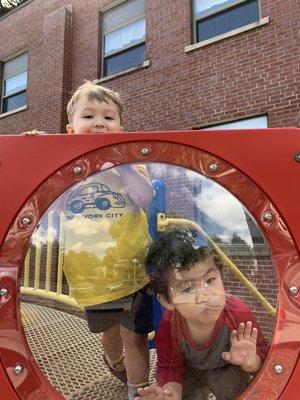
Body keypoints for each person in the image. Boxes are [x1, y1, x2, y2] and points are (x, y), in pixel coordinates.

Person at [23, 80, 155, 400]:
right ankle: (114, 362)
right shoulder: (68, 168)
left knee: (135, 336)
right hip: (92, 272)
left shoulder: (130, 161)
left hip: (132, 269)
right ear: (71, 129)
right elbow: (46, 202)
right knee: (109, 332)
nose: (99, 122)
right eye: (89, 116)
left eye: (108, 118)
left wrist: (123, 169)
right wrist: (42, 154)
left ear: (121, 128)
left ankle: (137, 392)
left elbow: (145, 198)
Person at [137, 228, 269, 400]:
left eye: (210, 280)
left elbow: (265, 359)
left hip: (227, 367)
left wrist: (251, 362)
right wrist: (170, 392)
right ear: (166, 301)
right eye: (187, 288)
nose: (204, 296)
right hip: (189, 370)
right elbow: (170, 367)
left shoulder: (238, 313)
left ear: (222, 277)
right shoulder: (169, 324)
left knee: (235, 388)